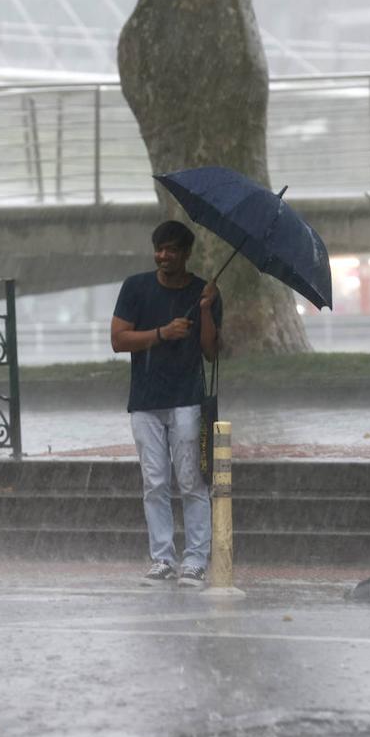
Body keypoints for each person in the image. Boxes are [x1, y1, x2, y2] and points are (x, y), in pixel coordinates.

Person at [111, 220, 221, 587]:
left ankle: (195, 558)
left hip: (187, 399)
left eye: (172, 250)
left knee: (191, 481)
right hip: (145, 400)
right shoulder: (136, 287)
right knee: (154, 481)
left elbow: (211, 352)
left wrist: (206, 309)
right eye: (159, 249)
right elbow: (118, 339)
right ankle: (162, 558)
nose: (163, 256)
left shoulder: (203, 291)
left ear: (187, 254)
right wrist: (162, 333)